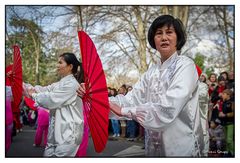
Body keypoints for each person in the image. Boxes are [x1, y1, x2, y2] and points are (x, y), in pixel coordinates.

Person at [78, 15, 204, 156]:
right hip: (153, 149)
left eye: (169, 32)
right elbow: (130, 99)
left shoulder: (185, 65)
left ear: (178, 37)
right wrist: (95, 98)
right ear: (153, 39)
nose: (163, 38)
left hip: (181, 148)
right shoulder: (151, 73)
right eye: (158, 33)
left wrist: (125, 110)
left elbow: (168, 109)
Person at [25, 53, 84, 157]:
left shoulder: (72, 85)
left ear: (70, 66)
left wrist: (33, 95)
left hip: (68, 135)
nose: (57, 65)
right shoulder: (61, 83)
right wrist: (24, 86)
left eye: (60, 62)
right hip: (56, 134)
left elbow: (51, 99)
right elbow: (45, 89)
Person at [218, 89, 234, 156]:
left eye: (223, 94)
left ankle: (234, 154)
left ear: (228, 95)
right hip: (224, 123)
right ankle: (227, 153)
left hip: (230, 124)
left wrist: (225, 115)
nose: (222, 95)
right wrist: (220, 113)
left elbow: (234, 113)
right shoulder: (223, 102)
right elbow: (220, 113)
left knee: (229, 140)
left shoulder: (232, 103)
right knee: (226, 140)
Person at [198, 73, 210, 156]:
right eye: (200, 76)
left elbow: (203, 96)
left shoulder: (203, 85)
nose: (201, 77)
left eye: (203, 76)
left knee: (203, 133)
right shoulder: (194, 84)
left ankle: (204, 153)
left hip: (201, 112)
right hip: (193, 113)